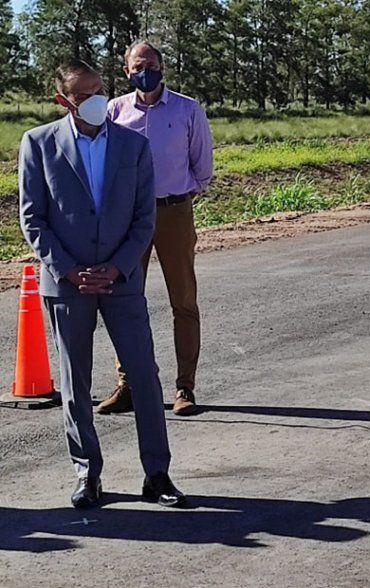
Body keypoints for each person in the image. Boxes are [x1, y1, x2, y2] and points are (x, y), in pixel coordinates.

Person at [18, 60, 187, 509]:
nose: (96, 101)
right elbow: (32, 219)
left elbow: (144, 217)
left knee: (145, 378)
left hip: (121, 279)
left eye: (100, 91)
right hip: (67, 283)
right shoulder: (37, 144)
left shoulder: (133, 145)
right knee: (75, 383)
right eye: (84, 95)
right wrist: (69, 269)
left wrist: (117, 266)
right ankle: (87, 474)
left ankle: (157, 474)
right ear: (63, 101)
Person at [101, 41, 213, 417]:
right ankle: (128, 384)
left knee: (183, 300)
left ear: (162, 67)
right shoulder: (115, 111)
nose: (143, 70)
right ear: (126, 71)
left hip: (173, 211)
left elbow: (203, 167)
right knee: (125, 300)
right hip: (128, 218)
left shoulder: (187, 110)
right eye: (137, 65)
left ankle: (185, 388)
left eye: (150, 63)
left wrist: (178, 200)